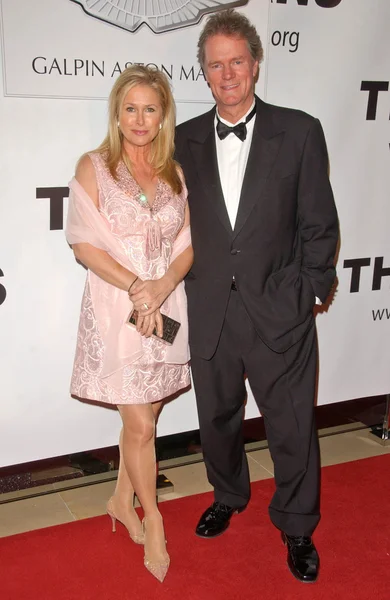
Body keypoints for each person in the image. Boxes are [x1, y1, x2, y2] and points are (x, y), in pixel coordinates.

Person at [175, 9, 338, 583]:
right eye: (215, 65)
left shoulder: (300, 131)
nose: (227, 74)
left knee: (291, 425)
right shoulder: (182, 140)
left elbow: (319, 223)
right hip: (211, 310)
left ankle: (297, 526)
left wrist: (310, 291)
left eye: (236, 62)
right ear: (204, 72)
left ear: (256, 64)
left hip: (280, 309)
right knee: (216, 420)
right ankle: (228, 494)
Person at [66, 65, 193, 583]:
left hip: (166, 310)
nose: (140, 119)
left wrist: (160, 288)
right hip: (119, 310)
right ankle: (154, 519)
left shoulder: (173, 174)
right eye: (131, 108)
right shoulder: (95, 166)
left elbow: (187, 248)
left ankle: (121, 498)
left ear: (163, 115)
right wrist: (139, 286)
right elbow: (83, 242)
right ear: (117, 113)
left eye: (151, 108)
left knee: (147, 419)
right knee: (140, 426)